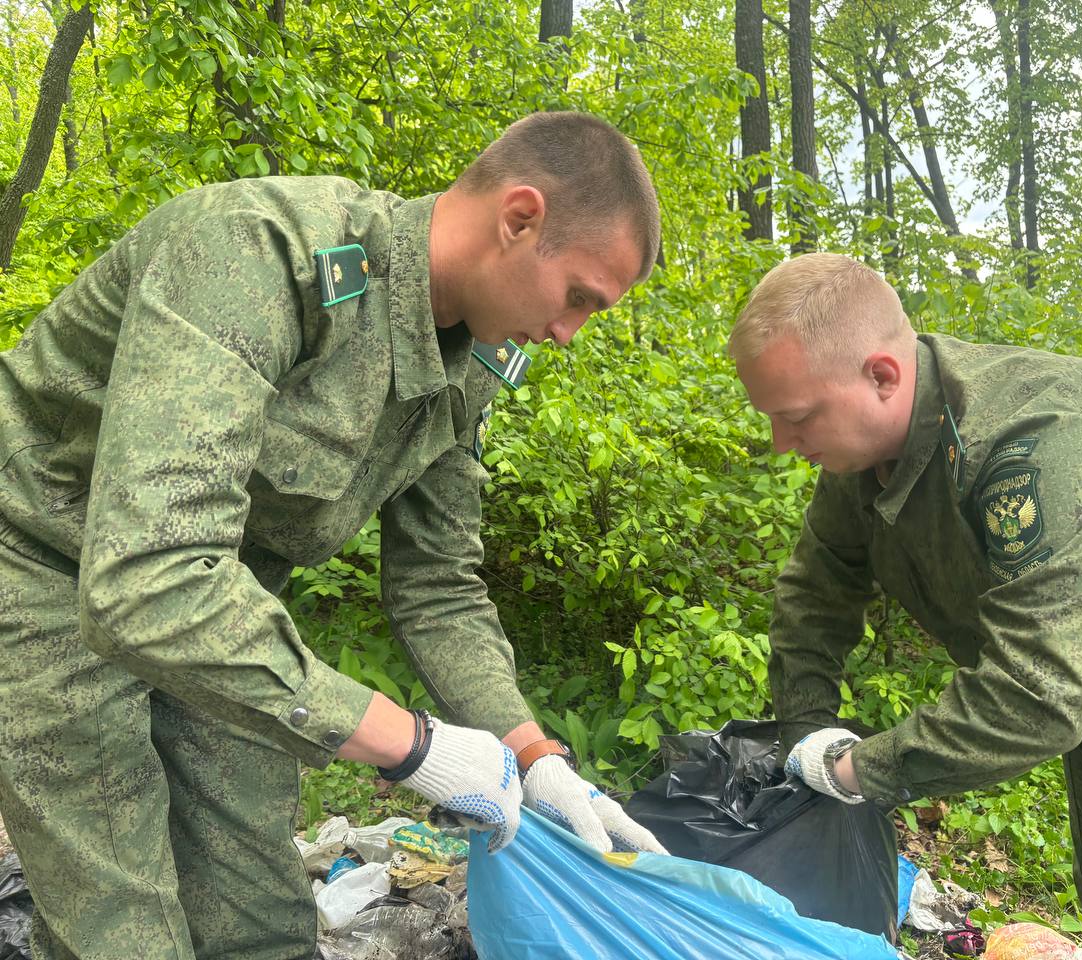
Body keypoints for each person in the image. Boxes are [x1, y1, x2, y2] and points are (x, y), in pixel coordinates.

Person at [0, 110, 665, 960]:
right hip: (47, 558)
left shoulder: (477, 362)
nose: (569, 333)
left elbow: (438, 586)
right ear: (520, 217)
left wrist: (531, 753)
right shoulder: (261, 254)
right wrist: (410, 745)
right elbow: (147, 576)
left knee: (259, 913)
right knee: (122, 926)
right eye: (578, 297)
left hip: (224, 605)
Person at [730, 253, 1082, 960]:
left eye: (796, 417)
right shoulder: (861, 462)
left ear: (881, 376)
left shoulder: (1039, 440)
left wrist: (855, 772)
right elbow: (816, 594)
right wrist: (806, 738)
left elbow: (1038, 694)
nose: (781, 443)